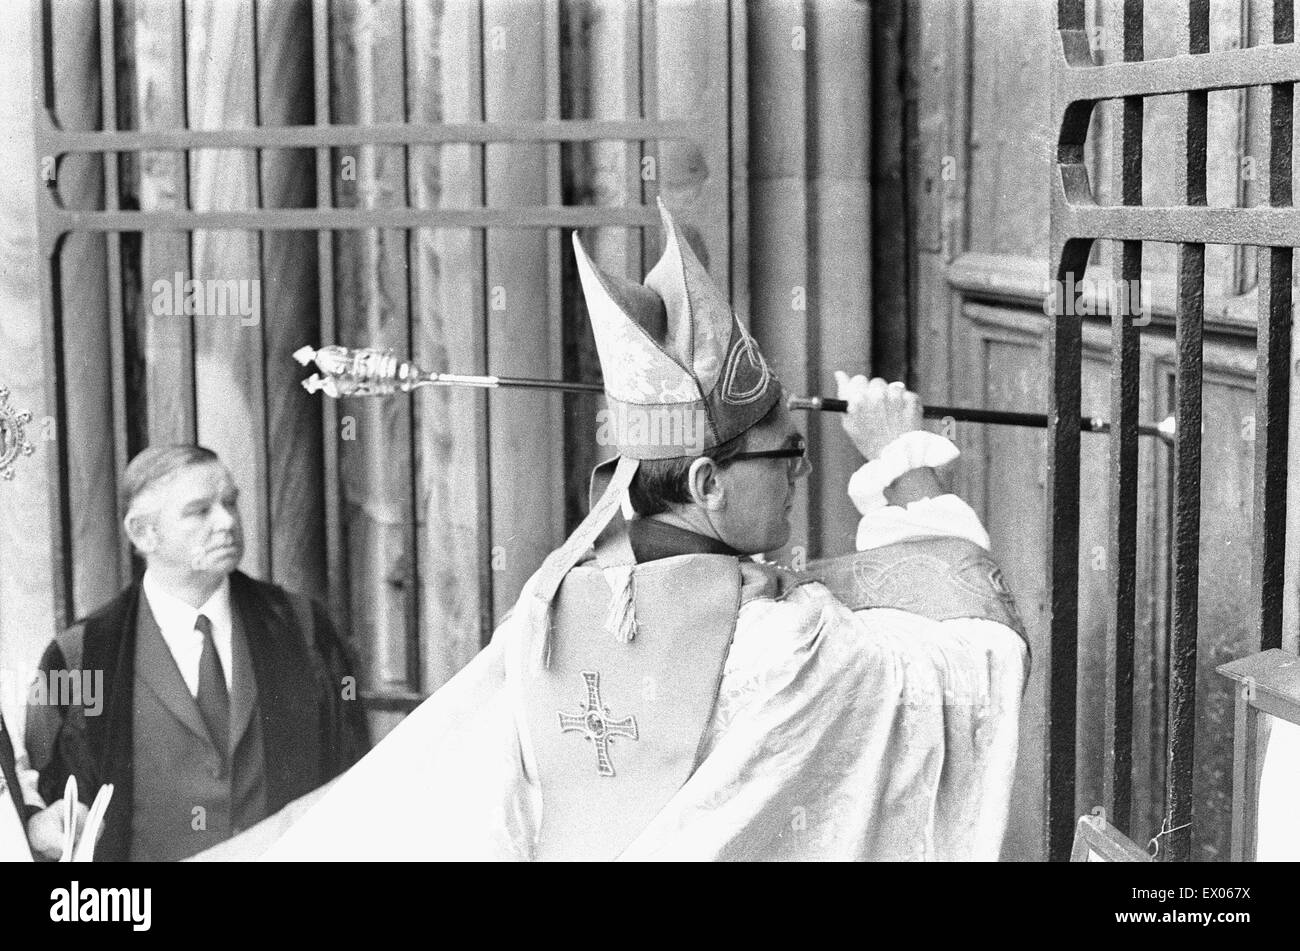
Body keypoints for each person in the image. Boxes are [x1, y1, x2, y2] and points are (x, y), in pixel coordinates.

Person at [242, 199, 1029, 861]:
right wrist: (901, 458)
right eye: (787, 452)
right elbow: (970, 665)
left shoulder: (549, 613)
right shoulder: (788, 648)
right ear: (704, 482)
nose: (801, 470)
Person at [25, 445, 369, 861]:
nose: (227, 521)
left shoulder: (303, 627)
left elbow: (354, 772)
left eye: (230, 503)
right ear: (142, 533)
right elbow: (45, 801)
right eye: (199, 511)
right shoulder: (77, 655)